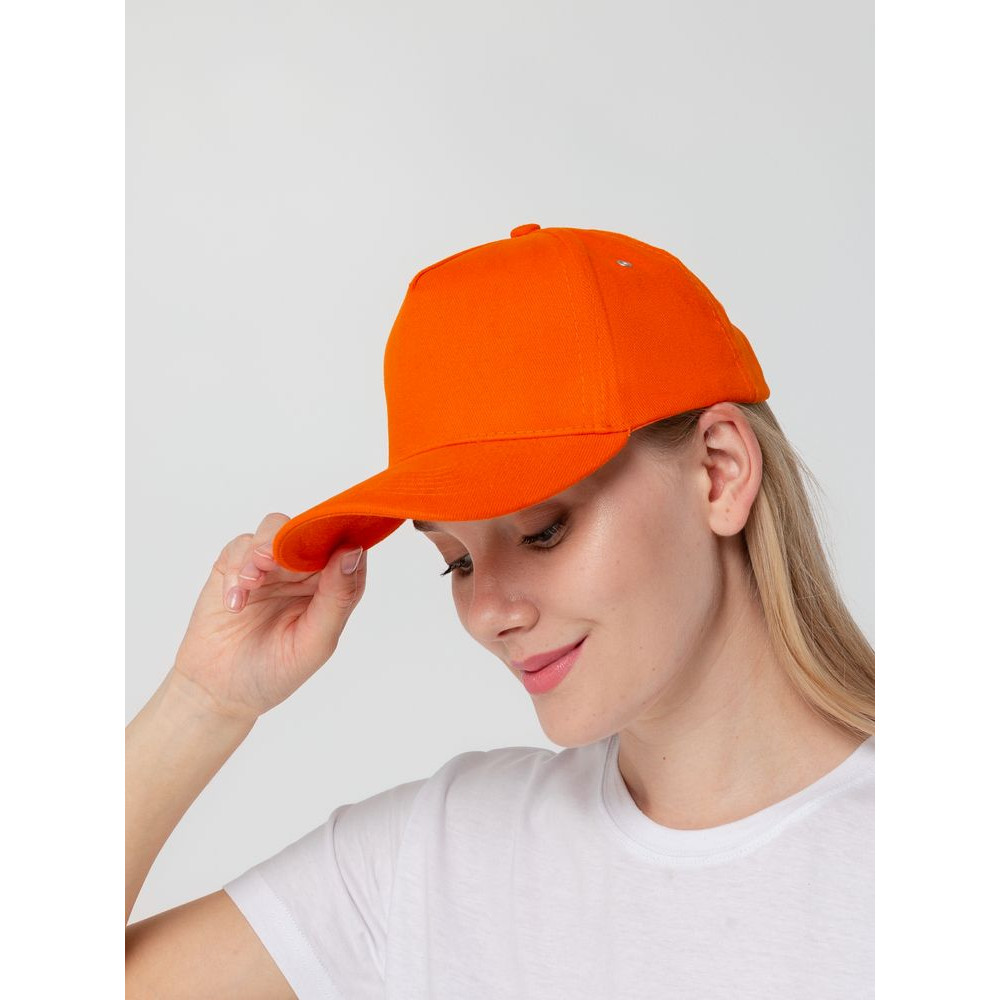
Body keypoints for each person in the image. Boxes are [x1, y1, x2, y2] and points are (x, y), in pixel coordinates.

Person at [125, 224, 875, 999]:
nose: (486, 612)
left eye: (542, 531)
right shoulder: (437, 860)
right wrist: (203, 700)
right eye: (456, 559)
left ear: (719, 472)